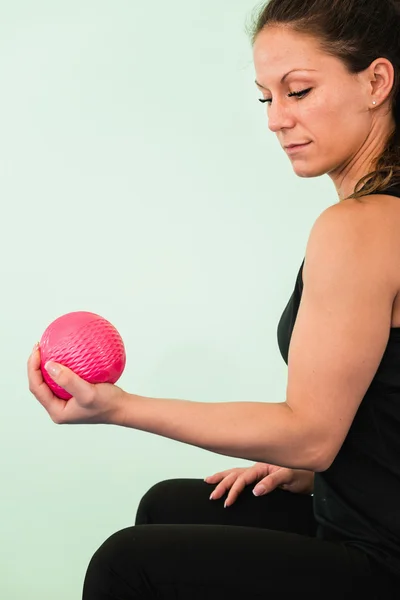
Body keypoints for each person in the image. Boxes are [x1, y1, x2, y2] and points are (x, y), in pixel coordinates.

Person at [27, 0, 400, 597]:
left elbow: (310, 432)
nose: (276, 119)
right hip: (363, 516)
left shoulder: (363, 226)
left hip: (384, 560)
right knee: (169, 506)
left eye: (298, 91)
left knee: (129, 563)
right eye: (265, 97)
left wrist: (118, 407)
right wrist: (314, 472)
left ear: (377, 81)